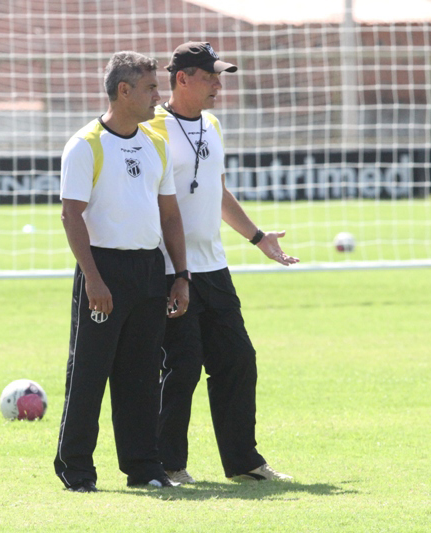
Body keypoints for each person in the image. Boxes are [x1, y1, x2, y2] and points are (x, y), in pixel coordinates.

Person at [147, 42, 299, 484]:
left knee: (238, 359)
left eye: (220, 76)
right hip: (170, 269)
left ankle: (244, 463)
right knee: (182, 365)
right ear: (182, 79)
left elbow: (217, 191)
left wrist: (257, 237)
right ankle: (168, 465)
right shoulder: (151, 127)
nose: (218, 84)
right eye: (210, 76)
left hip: (214, 267)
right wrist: (174, 270)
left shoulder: (211, 124)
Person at [54, 51, 190, 493]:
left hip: (150, 268)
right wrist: (93, 278)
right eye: (150, 87)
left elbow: (169, 215)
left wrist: (180, 274)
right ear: (124, 91)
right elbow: (71, 215)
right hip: (104, 268)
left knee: (141, 376)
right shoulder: (85, 144)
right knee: (89, 373)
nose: (158, 95)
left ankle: (144, 468)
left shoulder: (155, 142)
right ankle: (76, 470)